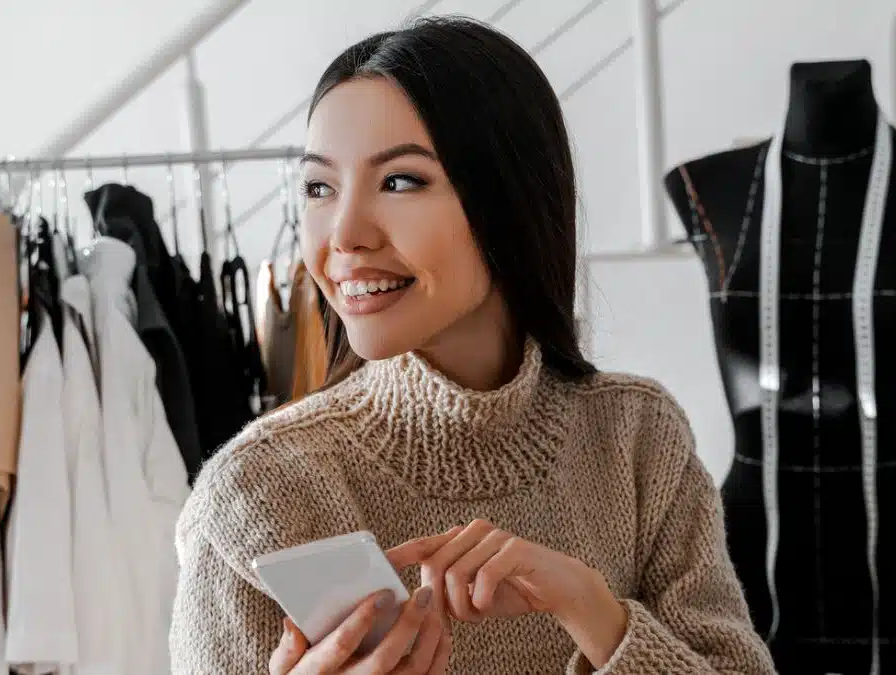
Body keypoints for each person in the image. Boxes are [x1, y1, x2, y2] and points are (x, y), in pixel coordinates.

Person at [169, 15, 776, 675]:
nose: (343, 234)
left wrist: (597, 613)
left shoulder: (637, 438)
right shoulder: (255, 493)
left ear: (511, 199)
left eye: (400, 181)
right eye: (320, 187)